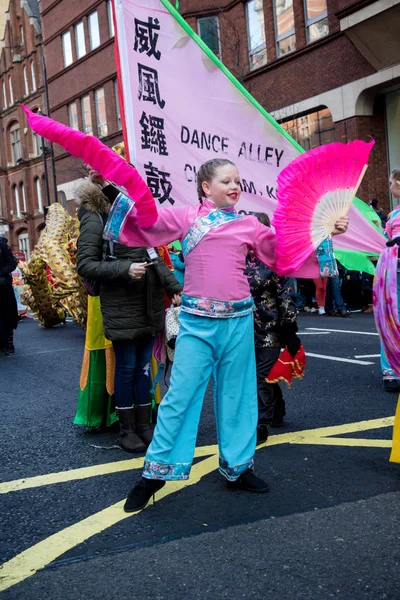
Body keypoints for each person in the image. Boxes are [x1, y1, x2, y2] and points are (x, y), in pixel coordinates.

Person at [103, 158, 348, 512]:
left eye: (237, 181)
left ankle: (238, 466)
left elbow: (283, 252)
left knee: (239, 396)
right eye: (226, 181)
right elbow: (148, 224)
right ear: (206, 186)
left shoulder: (249, 224)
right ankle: (154, 473)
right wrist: (118, 190)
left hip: (238, 322)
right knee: (180, 397)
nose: (235, 187)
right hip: (197, 323)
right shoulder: (187, 217)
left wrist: (325, 232)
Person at [76, 175, 182, 452]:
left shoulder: (136, 212)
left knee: (143, 367)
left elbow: (153, 256)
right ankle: (127, 429)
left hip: (148, 303)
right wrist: (125, 269)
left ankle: (145, 425)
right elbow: (86, 264)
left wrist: (174, 288)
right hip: (121, 303)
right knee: (126, 368)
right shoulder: (95, 212)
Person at [244, 213, 300, 443]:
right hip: (245, 327)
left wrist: (290, 330)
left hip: (271, 329)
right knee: (258, 374)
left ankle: (262, 423)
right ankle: (277, 409)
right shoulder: (239, 259)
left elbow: (287, 296)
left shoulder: (277, 261)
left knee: (260, 376)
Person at [0, 237, 18, 355]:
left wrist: (1, 272)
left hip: (3, 286)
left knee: (7, 314)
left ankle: (9, 343)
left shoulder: (2, 246)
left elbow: (12, 263)